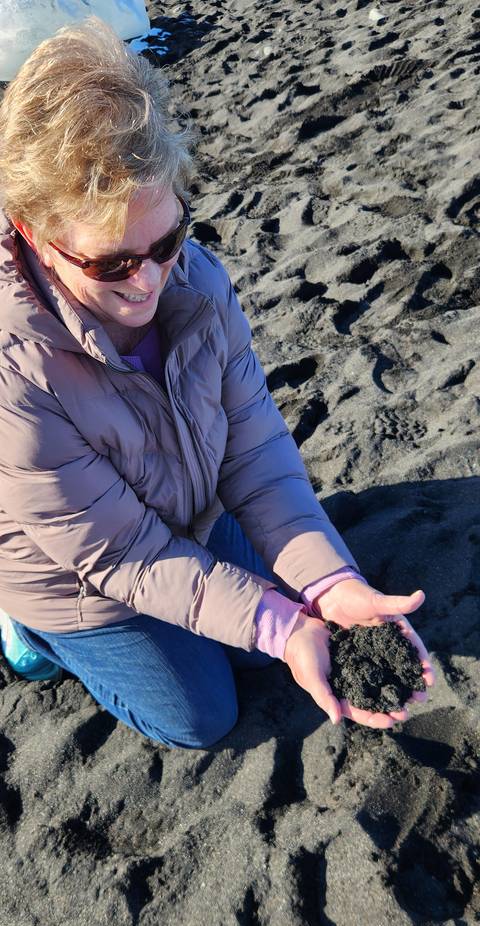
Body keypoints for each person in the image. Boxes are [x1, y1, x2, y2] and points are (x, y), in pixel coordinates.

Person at [0, 17, 434, 749]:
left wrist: (331, 585)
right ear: (38, 238)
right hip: (79, 576)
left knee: (290, 625)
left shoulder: (194, 284)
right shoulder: (15, 374)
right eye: (112, 263)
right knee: (200, 715)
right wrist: (275, 621)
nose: (148, 282)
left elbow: (256, 454)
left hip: (185, 506)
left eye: (166, 240)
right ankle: (29, 637)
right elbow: (125, 556)